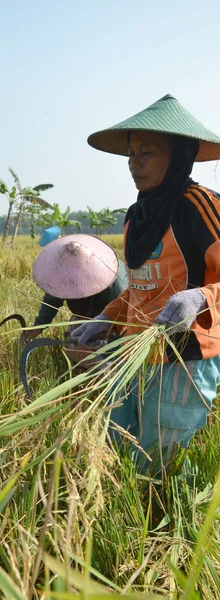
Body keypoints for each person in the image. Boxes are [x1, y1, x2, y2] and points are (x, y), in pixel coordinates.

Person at [72, 93, 220, 471]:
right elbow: (139, 287)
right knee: (117, 446)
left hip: (181, 357)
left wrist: (199, 299)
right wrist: (105, 317)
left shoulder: (200, 206)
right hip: (132, 352)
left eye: (148, 153)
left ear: (179, 155)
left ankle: (164, 527)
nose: (134, 163)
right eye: (131, 153)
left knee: (159, 463)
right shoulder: (135, 216)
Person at [21, 234, 128, 367]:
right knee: (73, 342)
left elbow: (124, 323)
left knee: (102, 362)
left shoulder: (117, 287)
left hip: (114, 322)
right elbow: (52, 298)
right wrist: (40, 325)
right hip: (87, 317)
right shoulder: (61, 274)